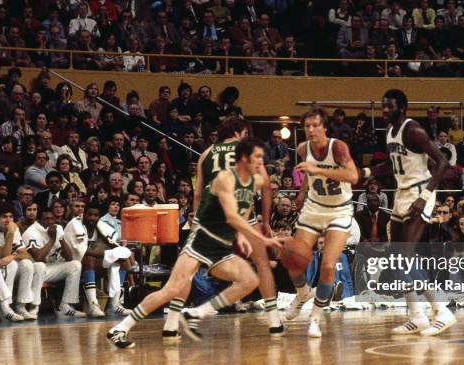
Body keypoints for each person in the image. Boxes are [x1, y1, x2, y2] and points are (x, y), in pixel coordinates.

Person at [107, 138, 281, 348]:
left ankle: (197, 313)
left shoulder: (254, 181)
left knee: (250, 280)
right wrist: (262, 238)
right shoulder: (224, 179)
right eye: (257, 158)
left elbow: (250, 204)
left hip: (222, 247)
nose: (261, 163)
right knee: (171, 290)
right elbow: (232, 217)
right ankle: (121, 328)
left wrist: (243, 235)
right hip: (201, 241)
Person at [160, 118, 283, 339]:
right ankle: (274, 321)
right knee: (261, 263)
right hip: (241, 215)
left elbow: (197, 193)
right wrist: (265, 221)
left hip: (208, 218)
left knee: (186, 272)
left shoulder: (207, 153)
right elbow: (266, 186)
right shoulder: (247, 150)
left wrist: (197, 221)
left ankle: (171, 324)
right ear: (241, 132)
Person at [360, 89, 456, 336]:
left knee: (404, 255)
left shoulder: (414, 130)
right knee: (396, 257)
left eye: (389, 106)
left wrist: (425, 197)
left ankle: (442, 310)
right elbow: (391, 166)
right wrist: (365, 173)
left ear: (402, 108)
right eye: (382, 106)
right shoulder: (390, 133)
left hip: (420, 192)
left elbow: (443, 163)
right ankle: (417, 316)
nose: (384, 110)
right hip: (402, 192)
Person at [280, 106, 358, 338]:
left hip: (339, 210)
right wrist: (302, 192)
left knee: (327, 266)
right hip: (314, 208)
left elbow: (353, 176)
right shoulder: (304, 148)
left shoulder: (338, 147)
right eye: (307, 126)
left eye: (315, 125)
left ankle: (315, 318)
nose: (311, 130)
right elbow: (308, 174)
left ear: (324, 127)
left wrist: (319, 168)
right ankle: (303, 293)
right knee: (291, 257)